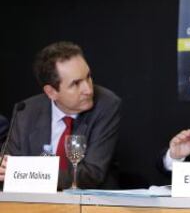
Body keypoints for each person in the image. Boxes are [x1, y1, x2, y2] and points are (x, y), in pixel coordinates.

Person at [0, 41, 121, 190]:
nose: (88, 89)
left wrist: (30, 175)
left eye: (88, 77)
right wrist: (12, 172)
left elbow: (91, 173)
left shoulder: (106, 104)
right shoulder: (26, 111)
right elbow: (7, 169)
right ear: (51, 92)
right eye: (76, 84)